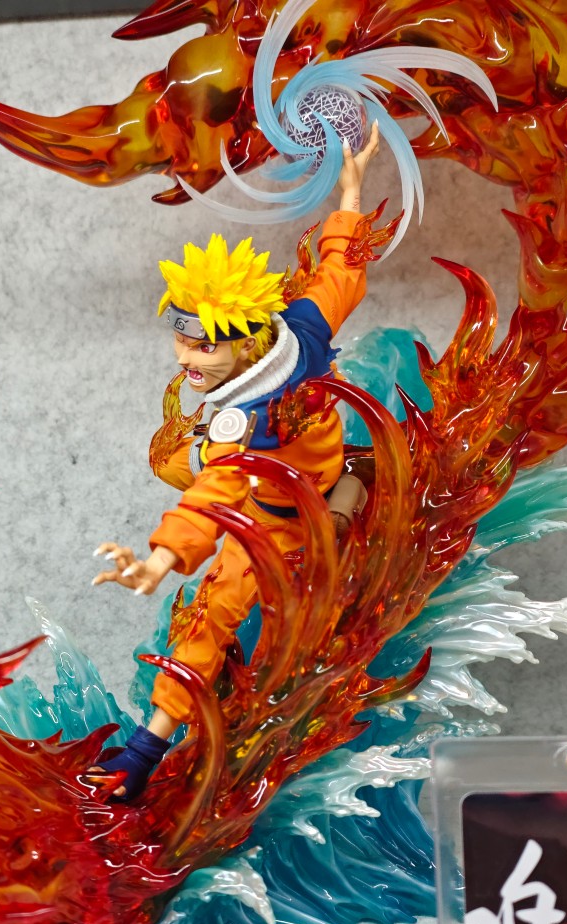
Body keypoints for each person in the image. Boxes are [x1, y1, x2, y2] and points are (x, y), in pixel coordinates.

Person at [89, 127, 382, 800]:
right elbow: (340, 272)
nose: (185, 360)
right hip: (287, 491)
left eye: (202, 349)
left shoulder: (244, 417)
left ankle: (148, 755)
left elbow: (214, 492)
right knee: (199, 588)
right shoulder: (300, 332)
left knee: (216, 618)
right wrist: (350, 196)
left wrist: (159, 561)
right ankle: (144, 754)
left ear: (248, 344)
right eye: (181, 342)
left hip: (288, 522)